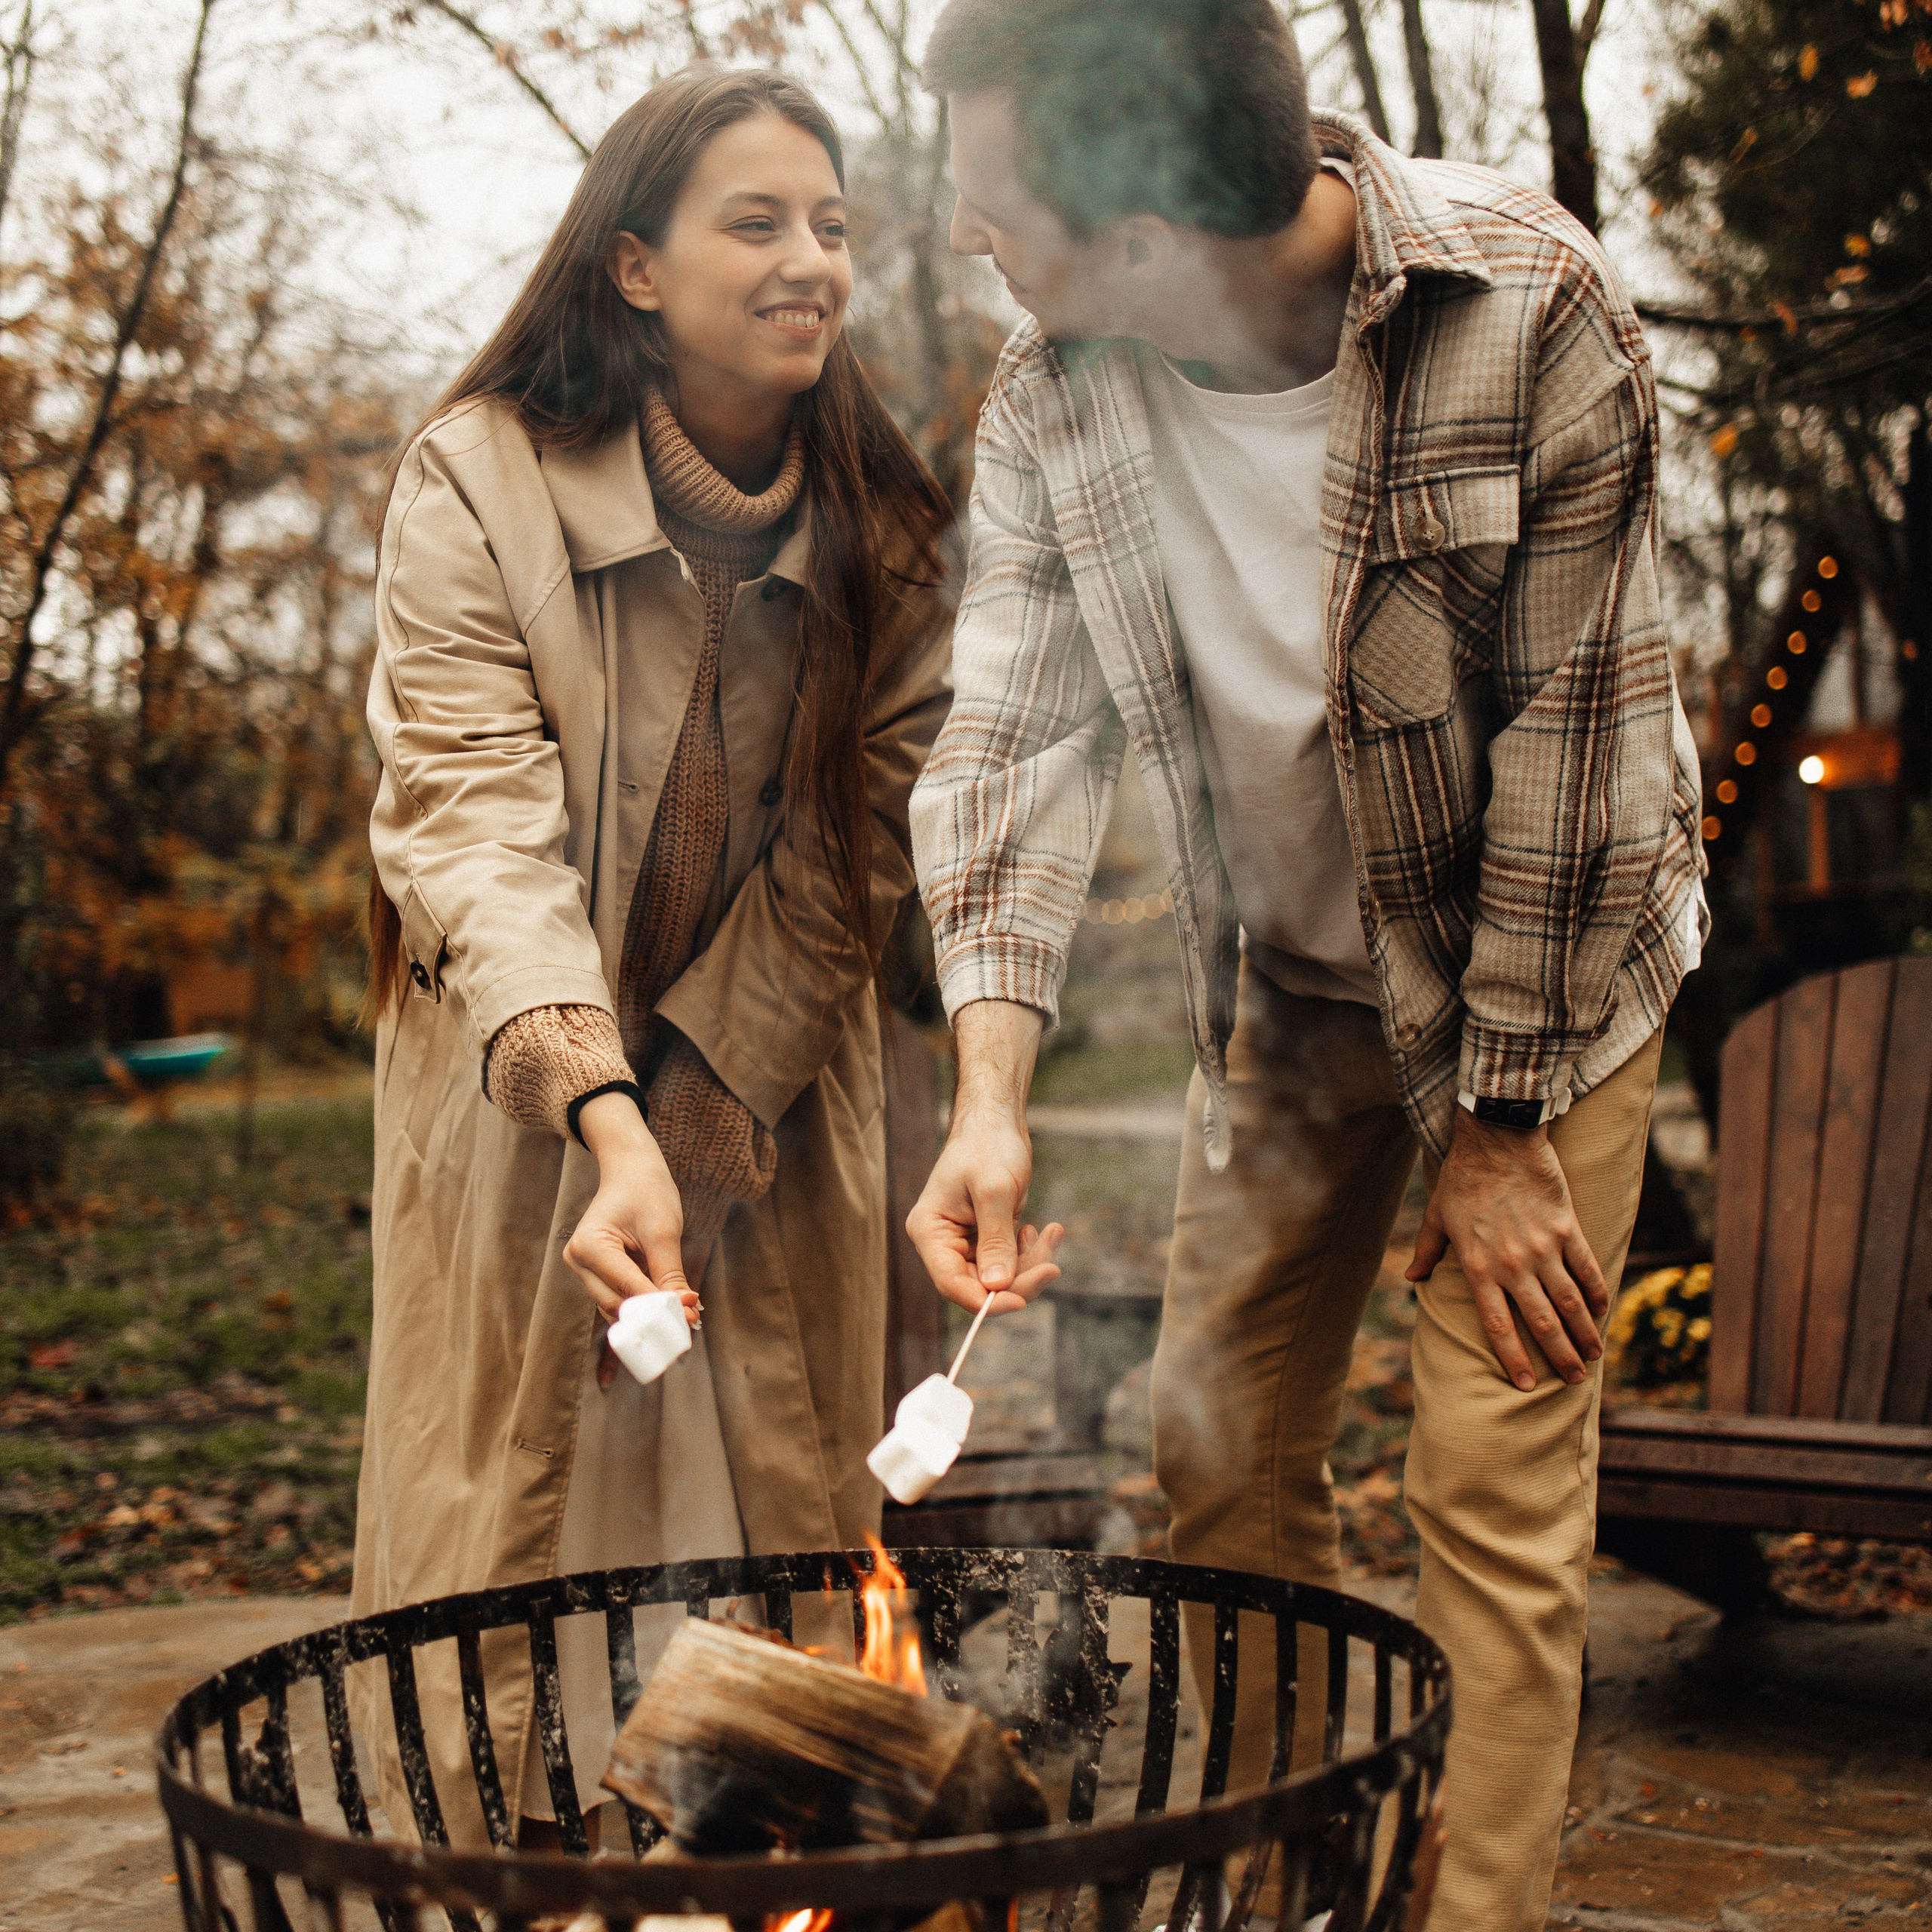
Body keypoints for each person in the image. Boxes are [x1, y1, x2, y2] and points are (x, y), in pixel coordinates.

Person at [903, 4, 1706, 1927]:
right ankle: (1302, 1868)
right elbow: (1008, 744)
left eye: (1003, 205)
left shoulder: (1530, 316)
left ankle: (1477, 1906)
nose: (969, 237)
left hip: (1545, 976)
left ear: (1157, 234)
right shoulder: (1054, 389)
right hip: (1288, 991)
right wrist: (990, 1096)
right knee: (1214, 1439)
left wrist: (1496, 1133)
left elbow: (1574, 763)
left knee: (1492, 1482)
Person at [354, 67, 953, 1850]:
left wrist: (701, 1100)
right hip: (519, 1100)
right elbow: (467, 816)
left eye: (832, 227)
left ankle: (750, 1856)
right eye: (756, 223)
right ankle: (507, 1863)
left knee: (761, 1505)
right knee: (515, 1534)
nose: (811, 264)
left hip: (765, 1111)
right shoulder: (475, 481)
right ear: (633, 266)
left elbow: (862, 844)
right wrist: (603, 1105)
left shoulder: (891, 533)